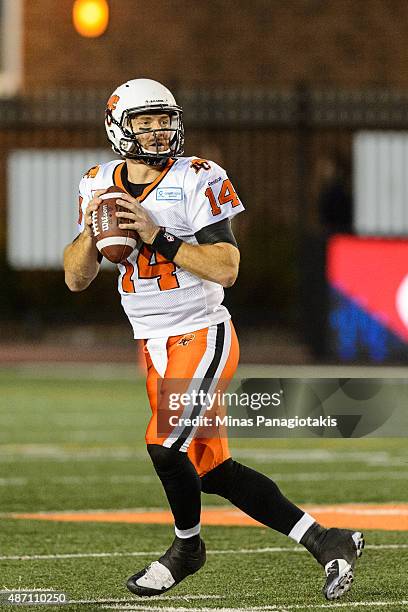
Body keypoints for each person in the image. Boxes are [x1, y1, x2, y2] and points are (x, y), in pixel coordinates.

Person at [63, 78, 364, 601]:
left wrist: (158, 234)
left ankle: (187, 548)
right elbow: (74, 277)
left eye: (164, 121)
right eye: (145, 123)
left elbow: (227, 268)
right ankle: (327, 540)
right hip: (152, 342)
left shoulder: (199, 177)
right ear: (119, 127)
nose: (158, 132)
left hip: (201, 332)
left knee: (163, 445)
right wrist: (94, 229)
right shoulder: (96, 183)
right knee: (211, 469)